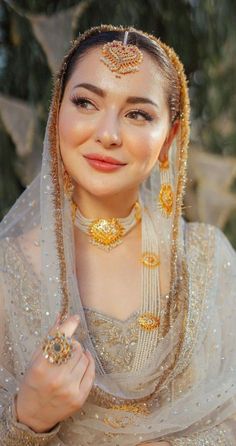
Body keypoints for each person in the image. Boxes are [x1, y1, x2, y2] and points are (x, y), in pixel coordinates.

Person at [0, 24, 235, 446]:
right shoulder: (6, 271)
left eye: (138, 113)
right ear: (57, 115)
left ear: (170, 139)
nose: (107, 134)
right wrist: (28, 417)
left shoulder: (207, 261)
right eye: (86, 102)